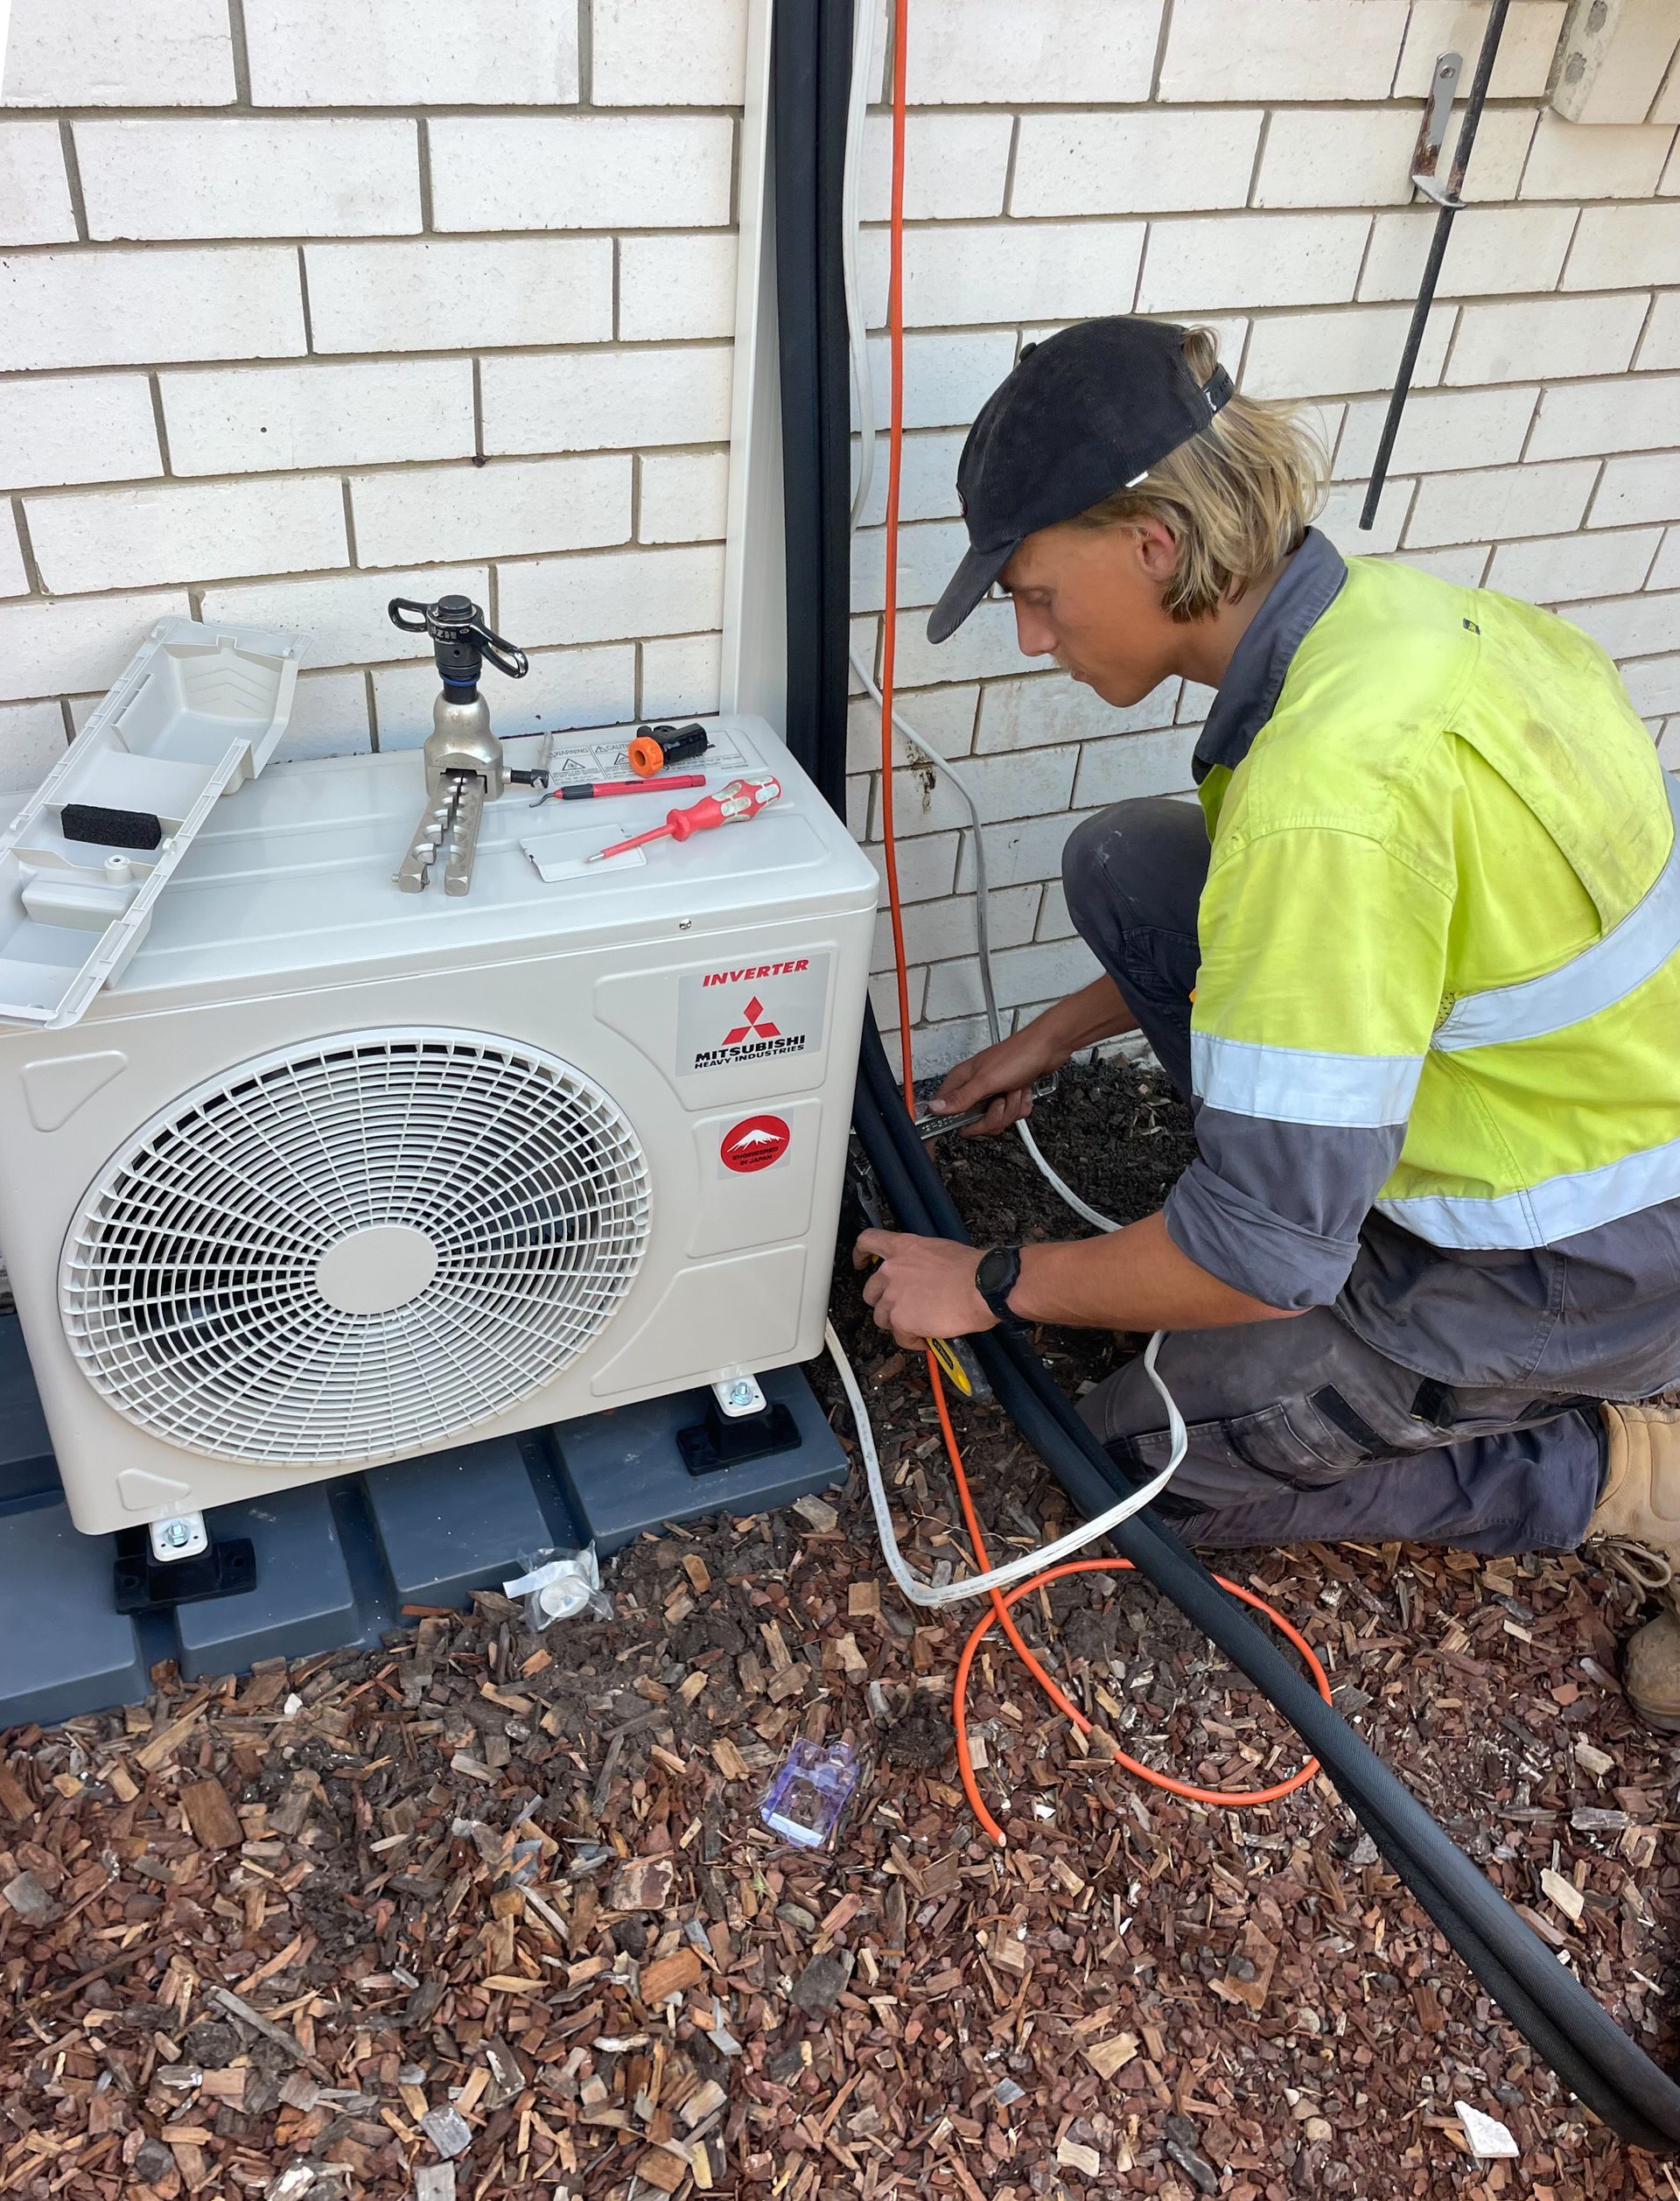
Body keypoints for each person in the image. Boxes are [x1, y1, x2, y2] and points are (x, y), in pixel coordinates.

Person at [852, 315, 1680, 1725]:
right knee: (1132, 859)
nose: (1034, 634)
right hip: (1579, 1109)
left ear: (1155, 547)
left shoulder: (1333, 795)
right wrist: (1053, 1034)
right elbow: (1311, 935)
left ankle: (1621, 1468)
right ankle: (1310, 1186)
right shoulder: (1404, 630)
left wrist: (991, 1278)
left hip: (1563, 1257)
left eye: (1038, 593)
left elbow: (1259, 1259)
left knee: (1136, 1464)